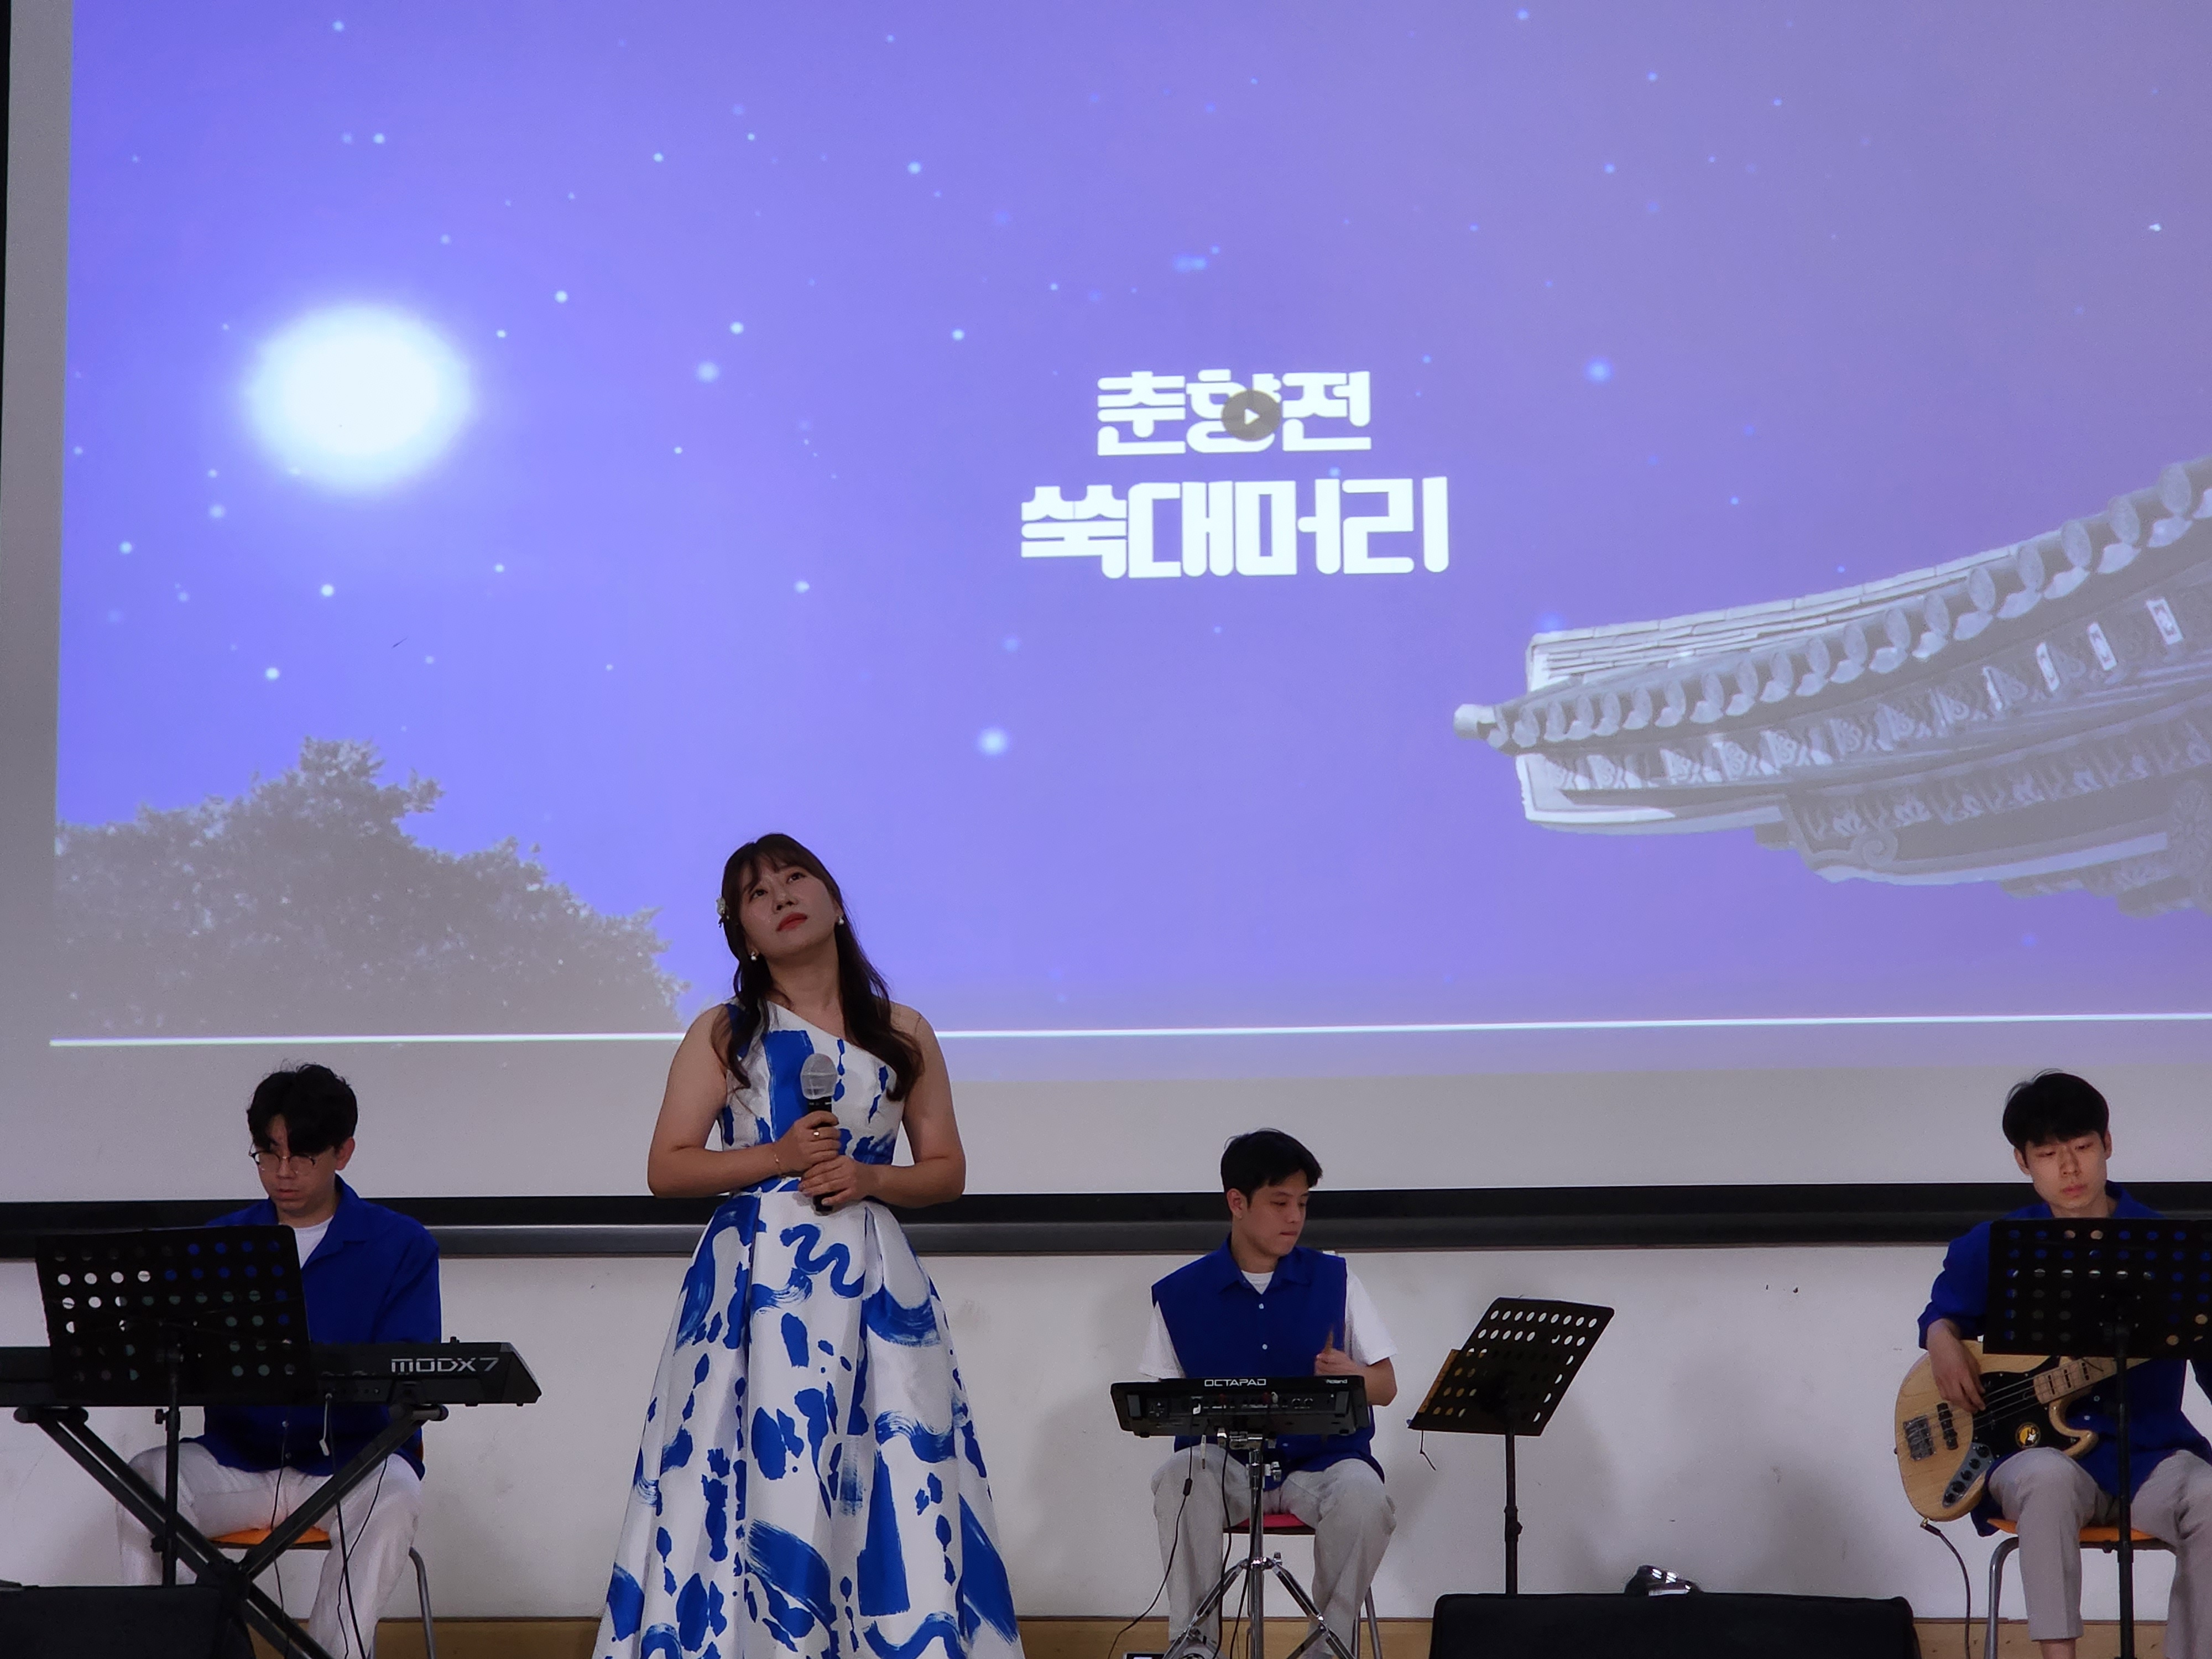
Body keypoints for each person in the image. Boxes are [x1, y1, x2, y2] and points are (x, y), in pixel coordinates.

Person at [596, 833, 1022, 1659]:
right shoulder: (723, 1033)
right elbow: (667, 1167)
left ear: (834, 901)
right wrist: (779, 1157)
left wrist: (871, 1179)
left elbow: (946, 1170)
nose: (782, 897)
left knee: (893, 1463)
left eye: (796, 878)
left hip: (872, 1277)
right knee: (754, 1468)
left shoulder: (903, 1031)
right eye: (758, 894)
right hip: (753, 1284)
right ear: (744, 935)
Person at [116, 1062, 440, 1659]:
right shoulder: (218, 1243)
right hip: (239, 1459)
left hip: (349, 1463)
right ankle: (175, 1648)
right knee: (142, 1481)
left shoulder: (401, 1244)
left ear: (343, 1153)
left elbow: (410, 1365)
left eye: (303, 1156)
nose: (283, 1172)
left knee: (395, 1491)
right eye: (268, 1154)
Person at [1920, 1071, 2212, 1659]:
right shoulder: (1996, 1244)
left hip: (2149, 1454)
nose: (2070, 1168)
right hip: (2032, 1453)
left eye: (2082, 1147)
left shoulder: (2170, 1247)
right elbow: (1944, 1316)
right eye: (2049, 1155)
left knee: (2210, 1496)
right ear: (2022, 1161)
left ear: (2108, 1144)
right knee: (2046, 1477)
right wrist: (1940, 1336)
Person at [1140, 1130, 1397, 1658]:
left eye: (1302, 1204)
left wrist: (1353, 1375)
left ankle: (1328, 1647)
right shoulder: (1180, 1294)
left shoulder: (1336, 1279)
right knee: (1178, 1480)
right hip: (1227, 1464)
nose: (1294, 1218)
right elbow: (1168, 1403)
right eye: (1280, 1203)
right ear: (1237, 1202)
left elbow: (1386, 1387)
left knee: (1366, 1498)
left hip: (1321, 1464)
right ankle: (1195, 1646)